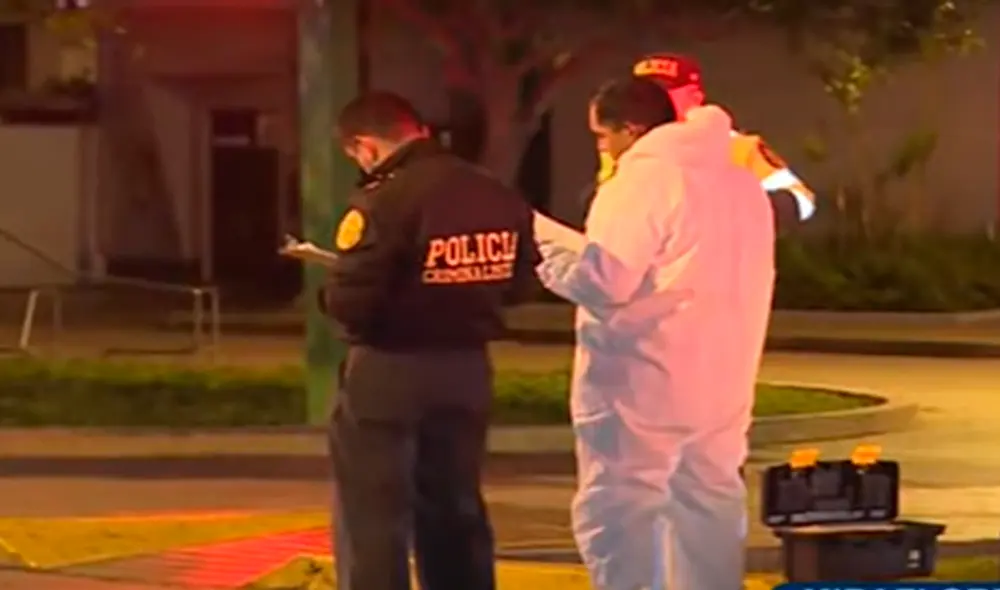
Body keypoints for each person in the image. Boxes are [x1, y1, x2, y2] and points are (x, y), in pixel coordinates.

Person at [535, 77, 775, 590]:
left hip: (643, 376)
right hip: (723, 377)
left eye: (603, 136)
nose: (603, 149)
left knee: (621, 508)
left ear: (631, 129)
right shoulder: (740, 183)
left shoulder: (642, 181)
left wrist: (549, 257)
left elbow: (607, 282)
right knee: (709, 501)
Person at [322, 91, 540, 590]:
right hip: (467, 368)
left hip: (390, 367)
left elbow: (352, 298)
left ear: (366, 146)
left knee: (373, 512)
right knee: (455, 504)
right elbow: (521, 283)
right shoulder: (494, 192)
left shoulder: (387, 199)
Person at [594, 52, 815, 226]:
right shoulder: (624, 144)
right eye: (639, 94)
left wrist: (738, 211)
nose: (651, 101)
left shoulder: (735, 146)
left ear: (696, 97)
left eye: (663, 91)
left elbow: (802, 200)